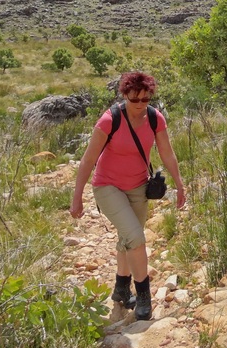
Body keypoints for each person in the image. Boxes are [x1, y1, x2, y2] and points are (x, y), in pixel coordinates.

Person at [69, 71, 186, 321]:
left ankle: (121, 289)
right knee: (135, 237)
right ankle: (144, 297)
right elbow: (88, 160)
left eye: (146, 99)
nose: (140, 104)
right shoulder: (110, 120)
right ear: (125, 96)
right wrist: (77, 197)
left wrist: (180, 184)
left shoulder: (155, 118)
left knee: (128, 239)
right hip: (107, 186)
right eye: (135, 99)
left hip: (138, 186)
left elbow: (167, 153)